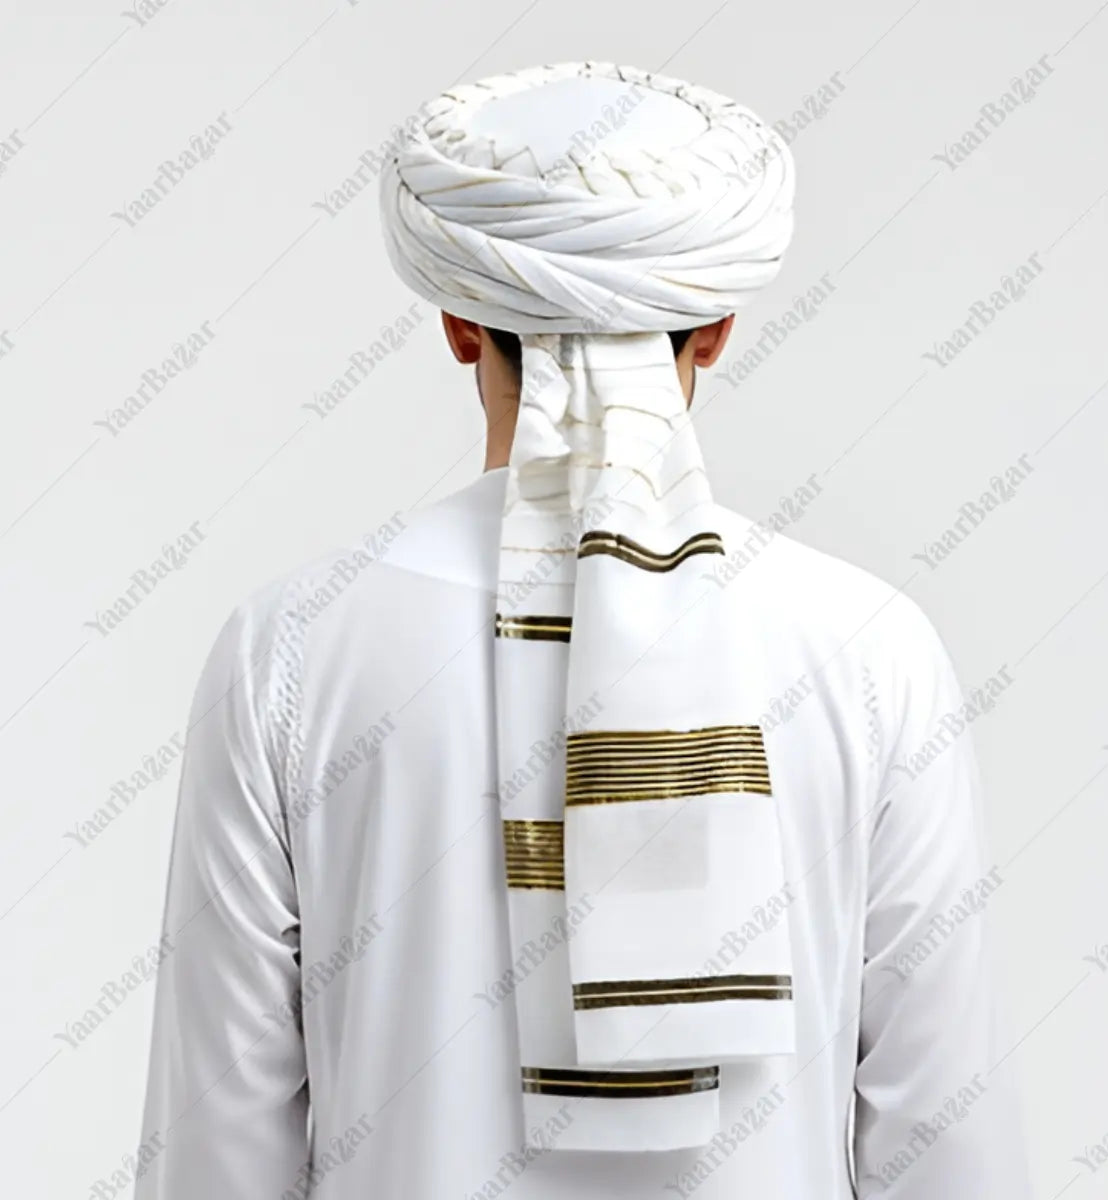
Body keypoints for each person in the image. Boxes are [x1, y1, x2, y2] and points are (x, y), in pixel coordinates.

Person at [132, 62, 1030, 1198]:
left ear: (461, 322)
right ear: (717, 326)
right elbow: (946, 1137)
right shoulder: (872, 649)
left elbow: (217, 1144)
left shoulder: (292, 651)